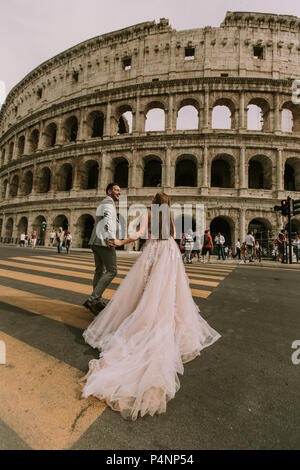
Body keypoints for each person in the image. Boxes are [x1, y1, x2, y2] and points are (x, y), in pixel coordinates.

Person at [78, 192, 221, 421]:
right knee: (167, 291)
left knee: (147, 289)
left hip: (154, 251)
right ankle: (162, 317)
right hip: (169, 252)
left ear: (154, 202)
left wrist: (122, 242)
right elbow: (174, 236)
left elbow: (140, 234)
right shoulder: (170, 216)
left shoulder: (148, 213)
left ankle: (143, 316)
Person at [82, 183, 120, 316]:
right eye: (116, 190)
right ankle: (93, 299)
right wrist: (112, 237)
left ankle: (96, 300)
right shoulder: (109, 203)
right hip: (104, 241)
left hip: (95, 241)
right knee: (112, 270)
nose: (119, 193)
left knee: (99, 270)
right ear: (109, 191)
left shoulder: (104, 202)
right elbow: (108, 220)